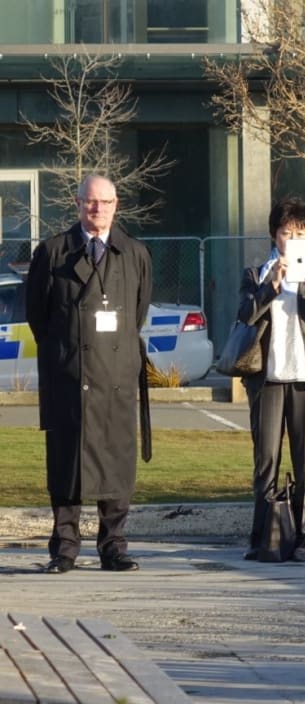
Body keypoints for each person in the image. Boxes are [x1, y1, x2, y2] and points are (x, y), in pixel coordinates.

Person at [26, 173, 153, 574]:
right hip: (69, 379)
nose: (97, 209)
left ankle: (113, 546)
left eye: (105, 202)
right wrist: (67, 355)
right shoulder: (52, 252)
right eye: (90, 201)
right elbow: (38, 318)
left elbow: (137, 313)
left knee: (115, 463)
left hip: (115, 380)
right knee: (66, 463)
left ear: (117, 205)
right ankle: (64, 548)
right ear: (77, 203)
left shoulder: (134, 253)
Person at [239, 196, 305, 563]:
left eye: (300, 232)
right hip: (267, 377)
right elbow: (245, 317)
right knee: (266, 458)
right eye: (286, 231)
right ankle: (264, 535)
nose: (292, 237)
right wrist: (271, 286)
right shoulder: (255, 273)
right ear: (273, 235)